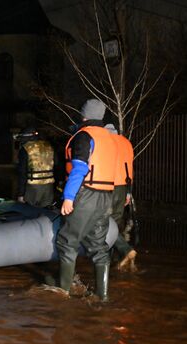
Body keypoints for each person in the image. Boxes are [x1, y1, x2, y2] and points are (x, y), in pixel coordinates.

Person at [55, 99, 118, 301]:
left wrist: (68, 197)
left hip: (86, 194)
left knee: (67, 243)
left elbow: (80, 169)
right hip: (106, 196)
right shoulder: (110, 138)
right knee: (99, 248)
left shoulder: (83, 136)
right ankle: (102, 296)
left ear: (84, 116)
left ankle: (62, 295)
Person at [105, 123, 137, 272]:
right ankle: (114, 259)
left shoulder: (106, 142)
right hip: (123, 187)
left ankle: (125, 250)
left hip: (108, 187)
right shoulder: (126, 143)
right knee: (115, 222)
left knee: (103, 223)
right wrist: (129, 193)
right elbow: (129, 167)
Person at [16, 127, 57, 208]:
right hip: (49, 187)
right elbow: (57, 165)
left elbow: (22, 173)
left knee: (29, 213)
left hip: (32, 188)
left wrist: (21, 194)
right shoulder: (49, 146)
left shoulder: (25, 149)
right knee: (46, 213)